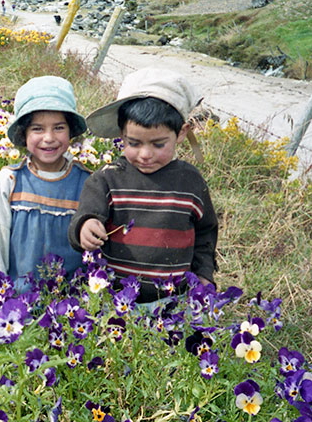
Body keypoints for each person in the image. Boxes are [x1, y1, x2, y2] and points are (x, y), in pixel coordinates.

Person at [68, 68, 218, 304]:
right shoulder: (107, 179)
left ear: (181, 133)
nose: (145, 154)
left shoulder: (191, 182)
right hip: (114, 298)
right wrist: (84, 228)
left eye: (158, 144)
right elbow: (85, 216)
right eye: (134, 143)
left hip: (174, 299)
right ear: (121, 134)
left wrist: (204, 273)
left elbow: (206, 232)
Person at [0, 76, 90, 293]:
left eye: (58, 128)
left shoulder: (86, 182)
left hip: (71, 306)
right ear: (24, 134)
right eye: (37, 129)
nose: (49, 138)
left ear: (70, 131)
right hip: (16, 303)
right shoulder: (10, 180)